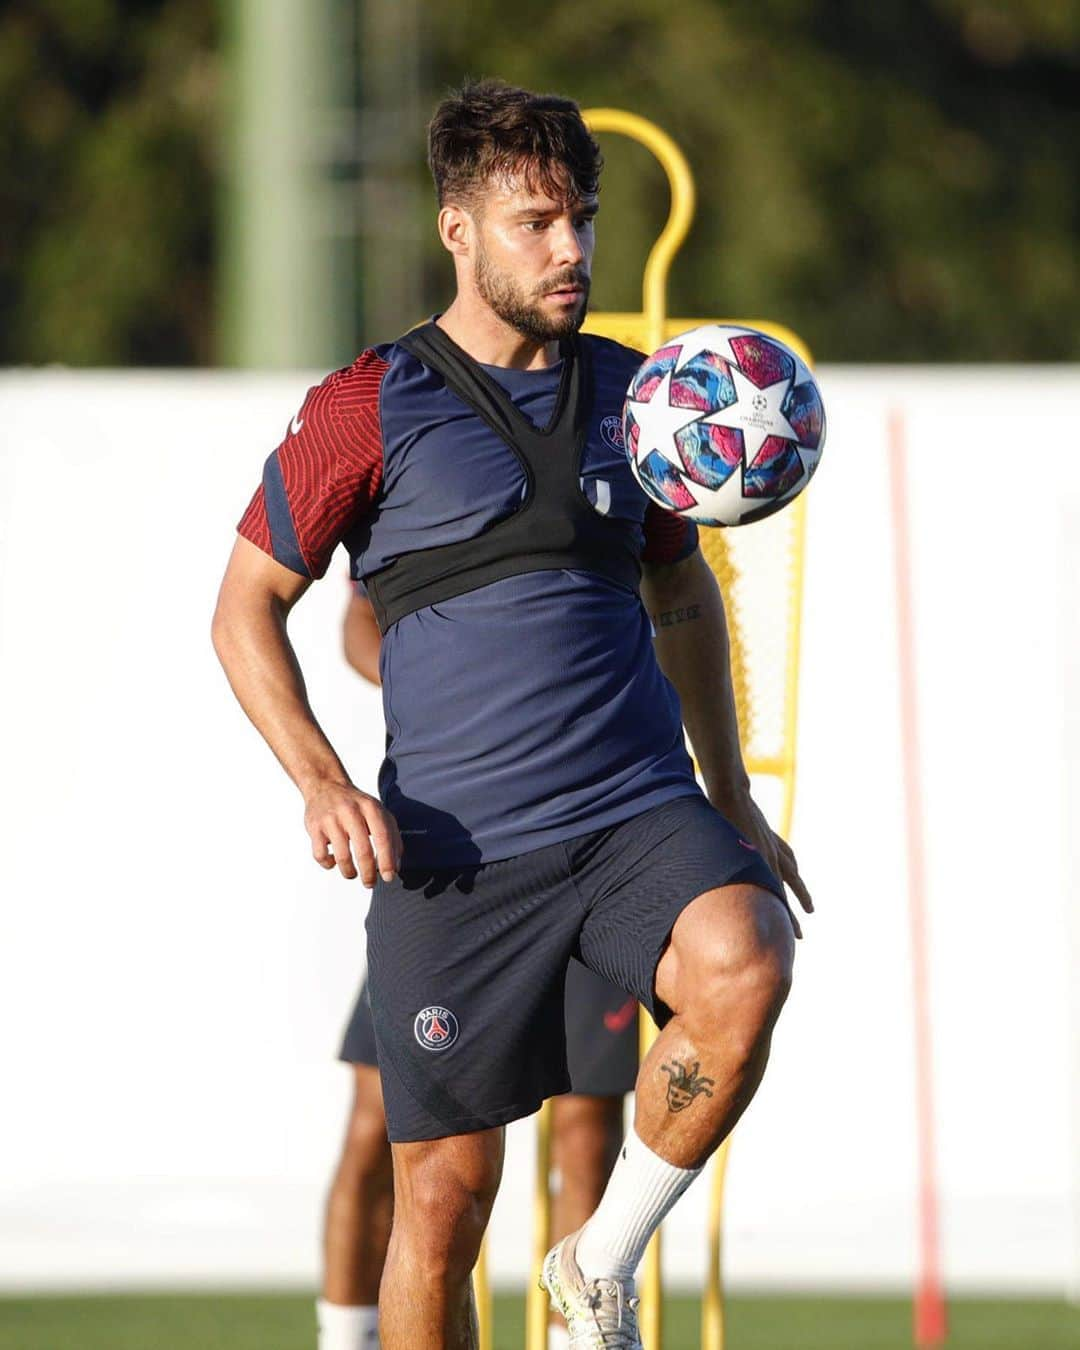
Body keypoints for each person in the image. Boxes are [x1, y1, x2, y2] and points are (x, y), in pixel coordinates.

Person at [212, 79, 811, 1350]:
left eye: (583, 219)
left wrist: (731, 794)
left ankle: (599, 1260)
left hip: (631, 821)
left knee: (747, 956)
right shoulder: (367, 405)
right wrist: (323, 780)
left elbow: (681, 596)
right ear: (457, 231)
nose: (572, 249)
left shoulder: (645, 401)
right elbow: (244, 610)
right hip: (455, 860)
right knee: (440, 1201)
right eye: (536, 222)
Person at [320, 586, 639, 1350]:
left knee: (588, 1122)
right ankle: (346, 1338)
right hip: (458, 855)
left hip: (597, 836)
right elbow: (358, 621)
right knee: (380, 1122)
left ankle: (581, 1336)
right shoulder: (415, 474)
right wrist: (456, 673)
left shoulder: (629, 476)